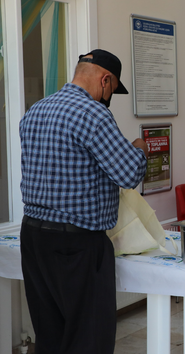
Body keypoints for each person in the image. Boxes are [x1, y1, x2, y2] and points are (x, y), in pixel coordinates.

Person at [19, 49, 149, 354]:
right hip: (76, 245)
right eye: (113, 89)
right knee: (89, 337)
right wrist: (140, 148)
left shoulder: (36, 110)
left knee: (50, 334)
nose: (110, 97)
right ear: (105, 80)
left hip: (33, 238)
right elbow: (129, 174)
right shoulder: (93, 113)